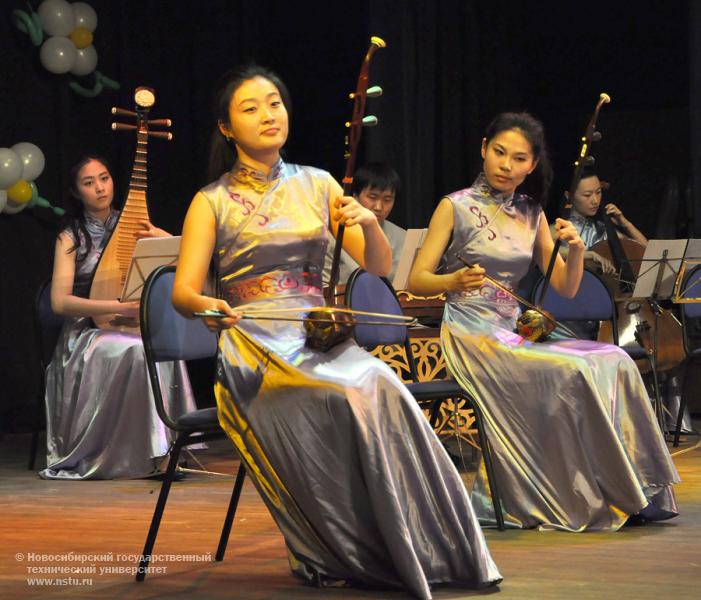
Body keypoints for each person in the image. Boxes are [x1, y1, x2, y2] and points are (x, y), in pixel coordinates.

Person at [172, 65, 501, 598]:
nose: (268, 114)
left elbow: (378, 267)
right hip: (254, 345)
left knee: (384, 386)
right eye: (250, 107)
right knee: (341, 396)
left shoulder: (318, 183)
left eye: (274, 102)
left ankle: (426, 542)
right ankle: (346, 543)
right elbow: (182, 292)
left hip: (317, 334)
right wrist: (209, 305)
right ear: (227, 128)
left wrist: (368, 223)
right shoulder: (210, 200)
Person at [408, 112, 679, 531]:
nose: (506, 165)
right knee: (572, 368)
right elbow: (417, 279)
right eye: (499, 153)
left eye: (518, 158)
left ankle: (632, 489)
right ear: (483, 149)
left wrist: (572, 250)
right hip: (471, 333)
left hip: (515, 331)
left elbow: (565, 289)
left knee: (613, 358)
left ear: (531, 165)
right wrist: (453, 279)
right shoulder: (454, 206)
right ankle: (574, 493)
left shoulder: (531, 213)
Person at [41, 155, 196, 480]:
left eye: (105, 178)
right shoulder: (71, 236)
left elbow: (186, 264)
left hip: (128, 325)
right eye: (89, 182)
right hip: (85, 336)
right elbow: (59, 302)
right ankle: (130, 453)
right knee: (136, 351)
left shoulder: (131, 224)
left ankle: (166, 450)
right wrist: (114, 307)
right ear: (76, 191)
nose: (99, 188)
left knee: (162, 346)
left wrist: (160, 236)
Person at [322, 162, 406, 285]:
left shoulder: (403, 237)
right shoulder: (335, 235)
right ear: (355, 197)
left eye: (387, 200)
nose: (379, 207)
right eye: (372, 197)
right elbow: (324, 287)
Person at [554, 168, 648, 275]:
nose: (595, 200)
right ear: (569, 195)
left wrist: (625, 223)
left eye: (598, 192)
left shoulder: (601, 228)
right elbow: (547, 251)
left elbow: (645, 251)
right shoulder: (560, 226)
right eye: (587, 195)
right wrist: (590, 254)